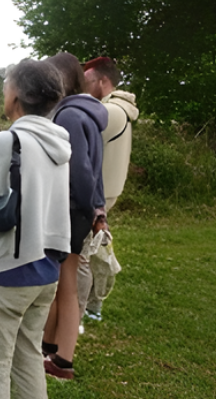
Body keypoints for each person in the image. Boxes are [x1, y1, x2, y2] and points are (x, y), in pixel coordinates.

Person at [0, 59, 72, 399]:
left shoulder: (4, 142)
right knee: (28, 358)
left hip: (5, 270)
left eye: (6, 86)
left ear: (16, 96)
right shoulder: (60, 141)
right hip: (47, 270)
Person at [40, 52, 108, 380]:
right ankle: (49, 346)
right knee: (59, 283)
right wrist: (98, 209)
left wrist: (84, 207)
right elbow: (97, 170)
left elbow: (80, 170)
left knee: (65, 286)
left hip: (69, 209)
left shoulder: (68, 115)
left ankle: (63, 361)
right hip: (78, 210)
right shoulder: (87, 113)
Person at [77, 57, 140, 321]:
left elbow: (77, 138)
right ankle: (92, 305)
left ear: (103, 81)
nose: (82, 86)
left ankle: (80, 310)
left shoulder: (111, 111)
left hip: (97, 194)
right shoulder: (114, 108)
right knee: (92, 250)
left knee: (82, 255)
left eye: (87, 81)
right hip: (103, 190)